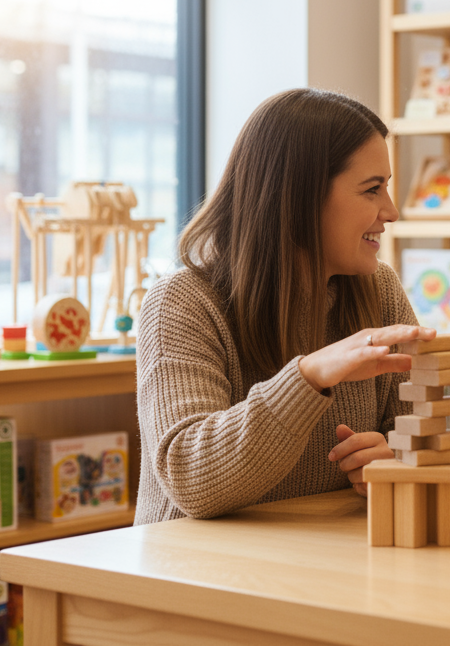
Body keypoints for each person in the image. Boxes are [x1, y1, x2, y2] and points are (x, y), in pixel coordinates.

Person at [134, 88, 434, 525]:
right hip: (196, 574)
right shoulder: (181, 303)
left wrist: (396, 461)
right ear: (298, 197)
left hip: (324, 562)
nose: (391, 211)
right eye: (372, 190)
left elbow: (424, 434)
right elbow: (190, 480)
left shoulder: (378, 289)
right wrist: (309, 377)